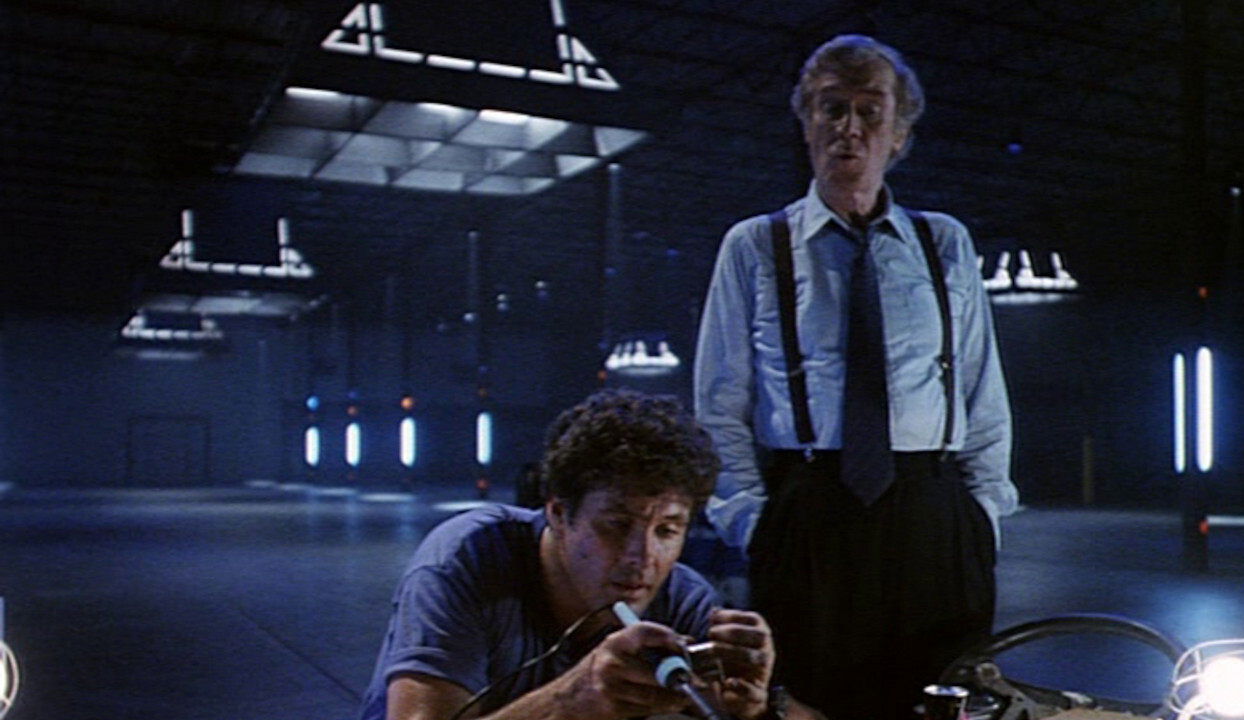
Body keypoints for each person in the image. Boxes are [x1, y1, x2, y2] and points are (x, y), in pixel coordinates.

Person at [694, 34, 1018, 719]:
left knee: (941, 702)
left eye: (871, 111)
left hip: (932, 513)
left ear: (899, 135)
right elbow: (719, 404)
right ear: (806, 124)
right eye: (831, 108)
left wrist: (981, 518)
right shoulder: (755, 245)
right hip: (810, 511)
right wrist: (754, 523)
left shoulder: (944, 242)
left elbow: (982, 392)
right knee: (808, 704)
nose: (850, 127)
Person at [358, 388, 820, 720]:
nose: (642, 557)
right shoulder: (469, 558)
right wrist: (574, 697)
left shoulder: (681, 598)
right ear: (559, 514)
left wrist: (761, 705)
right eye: (616, 525)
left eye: (667, 530)